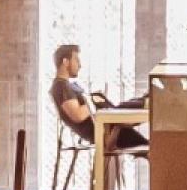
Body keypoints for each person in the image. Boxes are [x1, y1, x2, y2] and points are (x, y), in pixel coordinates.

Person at [48, 41, 145, 182]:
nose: (80, 65)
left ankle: (147, 102)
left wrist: (95, 99)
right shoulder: (61, 87)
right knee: (150, 141)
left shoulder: (67, 86)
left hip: (108, 123)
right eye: (77, 60)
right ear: (65, 61)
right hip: (106, 130)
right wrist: (92, 100)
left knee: (135, 104)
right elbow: (78, 115)